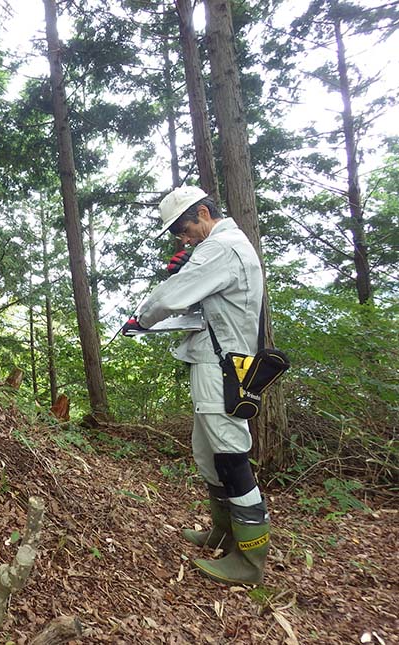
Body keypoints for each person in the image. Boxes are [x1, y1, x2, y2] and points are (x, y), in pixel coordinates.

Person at [121, 185, 270, 585]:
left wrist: (142, 318)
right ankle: (223, 531)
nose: (183, 240)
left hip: (223, 367)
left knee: (230, 456)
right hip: (217, 361)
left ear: (203, 212)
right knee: (208, 454)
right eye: (177, 236)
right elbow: (205, 302)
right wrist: (185, 271)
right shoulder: (222, 246)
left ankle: (250, 562)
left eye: (184, 230)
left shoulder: (220, 248)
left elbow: (170, 297)